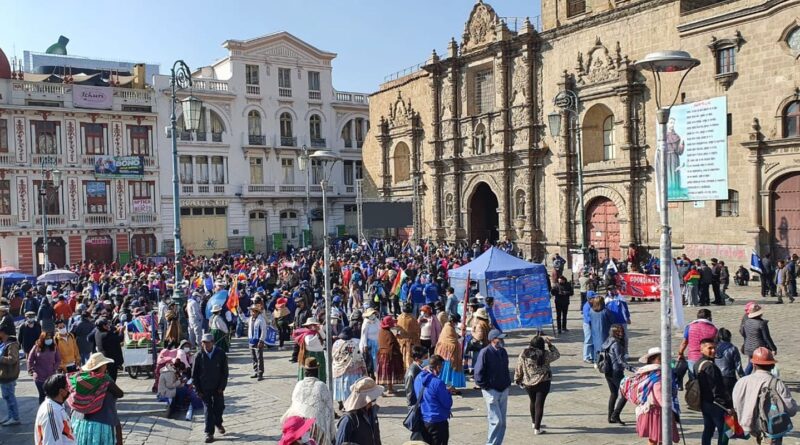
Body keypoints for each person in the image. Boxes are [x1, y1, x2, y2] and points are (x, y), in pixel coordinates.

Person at [732, 347, 797, 445]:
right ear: (772, 365)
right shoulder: (777, 384)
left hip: (747, 430)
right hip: (770, 433)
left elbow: (736, 406)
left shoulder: (741, 382)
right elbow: (791, 409)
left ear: (753, 365)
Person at [621, 347, 679, 445]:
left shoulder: (646, 373)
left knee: (654, 439)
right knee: (660, 439)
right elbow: (659, 396)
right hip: (658, 412)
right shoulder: (658, 376)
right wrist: (671, 408)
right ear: (654, 360)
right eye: (662, 358)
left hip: (649, 410)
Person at [68, 353, 124, 445]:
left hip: (81, 422)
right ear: (101, 366)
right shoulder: (105, 380)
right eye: (105, 364)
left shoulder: (81, 379)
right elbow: (120, 393)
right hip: (102, 422)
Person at [282, 357, 335, 445]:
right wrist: (332, 434)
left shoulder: (299, 384)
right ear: (317, 372)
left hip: (298, 424)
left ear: (305, 372)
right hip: (315, 427)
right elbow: (330, 409)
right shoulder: (321, 386)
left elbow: (294, 404)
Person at [514, 335, 559, 434]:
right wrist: (550, 345)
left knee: (532, 401)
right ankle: (537, 429)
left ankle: (534, 422)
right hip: (543, 382)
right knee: (539, 404)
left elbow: (519, 367)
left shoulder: (524, 353)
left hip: (528, 383)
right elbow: (556, 355)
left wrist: (517, 379)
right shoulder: (545, 354)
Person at [474, 329, 511, 445]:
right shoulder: (485, 352)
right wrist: (486, 387)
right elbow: (478, 373)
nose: (502, 340)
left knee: (502, 422)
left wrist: (507, 383)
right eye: (499, 338)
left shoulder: (503, 351)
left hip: (503, 388)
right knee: (496, 421)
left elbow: (505, 368)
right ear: (493, 340)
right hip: (491, 391)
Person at [192, 333, 229, 443]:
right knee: (208, 410)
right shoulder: (198, 355)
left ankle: (218, 422)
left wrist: (222, 386)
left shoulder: (220, 353)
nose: (206, 345)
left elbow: (225, 372)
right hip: (204, 388)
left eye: (208, 342)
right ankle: (209, 433)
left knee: (219, 407)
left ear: (213, 342)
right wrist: (198, 390)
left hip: (218, 387)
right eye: (204, 342)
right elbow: (194, 375)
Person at [695, 338, 732, 445]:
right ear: (702, 349)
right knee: (725, 431)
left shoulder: (698, 364)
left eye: (714, 348)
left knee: (708, 429)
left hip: (705, 403)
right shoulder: (710, 367)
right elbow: (717, 389)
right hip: (716, 405)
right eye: (710, 348)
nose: (713, 351)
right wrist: (728, 406)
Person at [414, 354, 453, 445]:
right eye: (441, 367)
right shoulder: (438, 383)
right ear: (438, 367)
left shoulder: (418, 377)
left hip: (424, 419)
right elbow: (447, 403)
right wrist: (448, 392)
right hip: (438, 421)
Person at [335, 377, 384, 445]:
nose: (374, 401)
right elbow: (340, 443)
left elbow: (376, 438)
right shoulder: (348, 420)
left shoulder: (372, 412)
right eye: (373, 399)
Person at [603, 324, 634, 425]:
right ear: (614, 333)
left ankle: (610, 416)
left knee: (614, 393)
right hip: (616, 372)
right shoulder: (616, 344)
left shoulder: (608, 341)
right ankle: (615, 415)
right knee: (625, 393)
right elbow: (620, 360)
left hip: (608, 371)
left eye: (622, 331)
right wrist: (633, 369)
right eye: (618, 332)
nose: (621, 333)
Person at [332, 327, 367, 411]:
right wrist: (363, 367)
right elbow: (358, 357)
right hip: (351, 370)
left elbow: (333, 355)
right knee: (350, 389)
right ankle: (349, 405)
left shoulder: (336, 343)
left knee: (341, 388)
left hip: (337, 369)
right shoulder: (353, 344)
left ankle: (341, 402)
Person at [34, 374, 74, 445]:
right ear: (61, 391)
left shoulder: (56, 405)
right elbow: (51, 442)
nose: (69, 389)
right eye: (67, 387)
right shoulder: (52, 413)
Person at [677, 309, 717, 378]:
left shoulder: (690, 327)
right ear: (708, 318)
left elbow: (684, 343)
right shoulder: (714, 329)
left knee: (693, 380)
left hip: (693, 358)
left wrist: (680, 353)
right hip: (707, 359)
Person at [739, 304, 777, 375]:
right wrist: (773, 348)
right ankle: (746, 377)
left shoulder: (746, 322)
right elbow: (766, 338)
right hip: (759, 348)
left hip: (748, 347)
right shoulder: (761, 323)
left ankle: (747, 376)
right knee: (760, 364)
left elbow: (743, 333)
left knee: (751, 363)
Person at [435, 314, 465, 392]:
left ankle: (449, 387)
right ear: (452, 321)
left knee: (447, 371)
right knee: (449, 371)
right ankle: (449, 387)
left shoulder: (448, 326)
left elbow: (453, 336)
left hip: (446, 354)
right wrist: (459, 339)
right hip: (449, 355)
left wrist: (458, 337)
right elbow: (451, 341)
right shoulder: (448, 328)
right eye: (455, 322)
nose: (456, 323)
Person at [28, 332, 61, 404]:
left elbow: (58, 360)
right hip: (39, 377)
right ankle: (42, 409)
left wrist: (54, 368)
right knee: (42, 396)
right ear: (42, 339)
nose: (49, 340)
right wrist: (32, 371)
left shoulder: (54, 347)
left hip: (51, 376)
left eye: (50, 338)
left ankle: (51, 410)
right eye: (47, 338)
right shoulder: (36, 347)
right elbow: (30, 360)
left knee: (51, 396)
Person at [405, 345, 429, 441]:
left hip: (421, 404)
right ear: (417, 358)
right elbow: (409, 392)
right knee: (417, 432)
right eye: (425, 357)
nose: (427, 359)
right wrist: (412, 407)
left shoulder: (419, 368)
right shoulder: (412, 371)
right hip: (416, 406)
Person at [376, 315, 404, 394]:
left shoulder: (381, 332)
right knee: (389, 372)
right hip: (389, 355)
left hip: (381, 354)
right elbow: (392, 345)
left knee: (383, 373)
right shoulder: (388, 333)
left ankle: (386, 389)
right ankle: (389, 389)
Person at [0, 326, 20, 426]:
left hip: (9, 375)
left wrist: (0, 358)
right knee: (6, 397)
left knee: (10, 397)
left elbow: (12, 359)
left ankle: (15, 418)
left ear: (3, 333)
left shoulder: (12, 344)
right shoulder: (3, 343)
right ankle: (10, 416)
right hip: (3, 375)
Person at [714, 328, 742, 398]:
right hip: (729, 377)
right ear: (729, 337)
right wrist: (743, 377)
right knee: (731, 398)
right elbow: (738, 366)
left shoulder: (714, 348)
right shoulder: (733, 348)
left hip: (717, 377)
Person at [296, 318, 326, 383]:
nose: (313, 326)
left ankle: (321, 382)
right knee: (311, 370)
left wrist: (319, 330)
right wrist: (316, 336)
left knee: (320, 370)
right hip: (311, 354)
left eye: (314, 325)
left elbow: (324, 337)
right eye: (311, 325)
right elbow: (309, 343)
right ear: (308, 326)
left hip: (320, 354)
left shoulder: (317, 331)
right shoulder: (308, 333)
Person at [588, 297, 612, 365]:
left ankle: (596, 360)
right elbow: (612, 320)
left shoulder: (591, 311)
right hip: (605, 331)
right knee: (606, 346)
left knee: (596, 346)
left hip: (595, 331)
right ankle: (605, 361)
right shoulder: (606, 311)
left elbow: (589, 321)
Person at [396, 305, 421, 369]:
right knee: (409, 357)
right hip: (411, 341)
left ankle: (403, 368)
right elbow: (418, 330)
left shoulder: (399, 317)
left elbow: (397, 329)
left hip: (401, 341)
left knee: (402, 356)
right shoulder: (412, 319)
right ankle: (409, 370)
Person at [247, 305, 267, 380]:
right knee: (253, 357)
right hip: (251, 341)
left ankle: (260, 373)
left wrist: (261, 340)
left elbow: (263, 331)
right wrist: (240, 313)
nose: (251, 313)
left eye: (253, 311)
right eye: (251, 311)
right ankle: (256, 371)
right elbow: (244, 320)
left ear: (257, 312)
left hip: (258, 341)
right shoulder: (250, 319)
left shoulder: (261, 320)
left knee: (259, 357)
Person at [360, 308, 380, 376]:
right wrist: (365, 345)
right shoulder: (366, 323)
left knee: (377, 360)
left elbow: (380, 330)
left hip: (377, 343)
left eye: (373, 314)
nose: (372, 315)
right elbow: (364, 335)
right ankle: (372, 374)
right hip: (369, 344)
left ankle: (377, 373)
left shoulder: (377, 321)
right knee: (371, 360)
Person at [581, 292, 596, 363]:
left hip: (593, 324)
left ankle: (592, 356)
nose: (595, 299)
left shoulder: (593, 305)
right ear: (589, 299)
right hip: (588, 325)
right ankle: (586, 357)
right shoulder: (586, 306)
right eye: (593, 298)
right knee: (588, 340)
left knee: (593, 341)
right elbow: (588, 318)